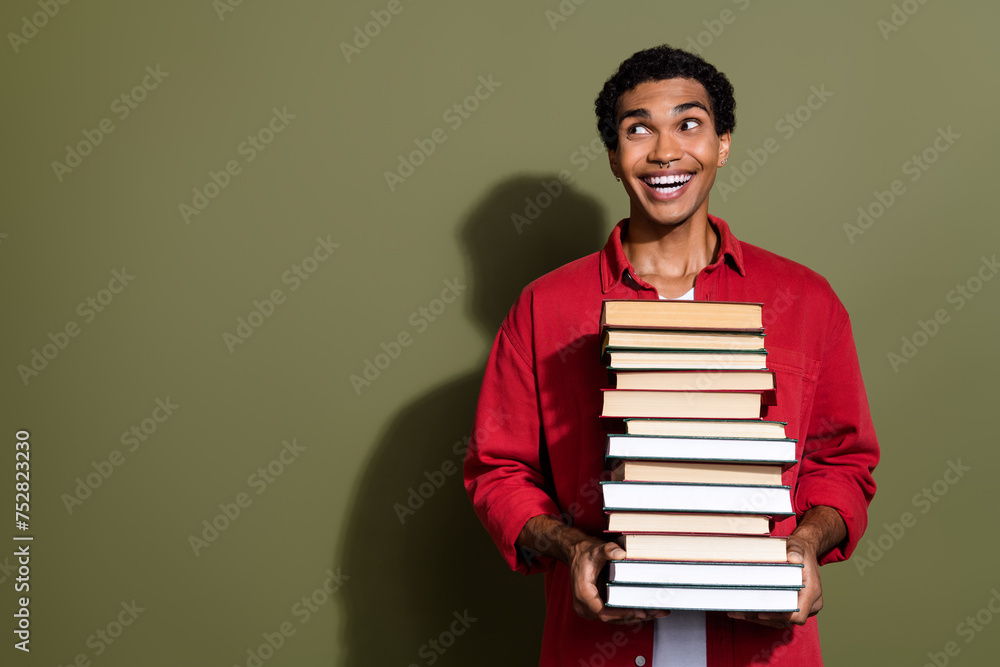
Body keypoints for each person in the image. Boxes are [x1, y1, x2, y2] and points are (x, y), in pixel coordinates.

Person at [463, 44, 879, 666]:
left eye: (690, 124)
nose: (664, 152)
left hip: (763, 647)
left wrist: (806, 545)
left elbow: (843, 461)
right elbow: (499, 471)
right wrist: (575, 547)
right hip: (597, 648)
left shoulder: (806, 301)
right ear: (613, 156)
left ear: (724, 142)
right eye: (639, 130)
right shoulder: (543, 308)